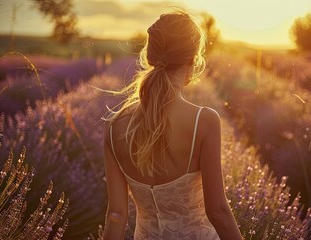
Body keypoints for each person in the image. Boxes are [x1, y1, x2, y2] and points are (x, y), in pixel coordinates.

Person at [103, 11, 243, 240]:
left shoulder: (114, 127)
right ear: (192, 60)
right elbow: (217, 211)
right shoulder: (204, 121)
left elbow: (116, 215)